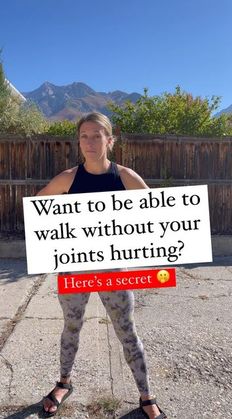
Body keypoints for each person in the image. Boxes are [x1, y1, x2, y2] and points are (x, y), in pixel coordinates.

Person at [37, 112, 167, 419]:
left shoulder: (125, 177)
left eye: (97, 135)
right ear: (78, 141)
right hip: (74, 269)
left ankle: (146, 395)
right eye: (84, 135)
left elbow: (157, 216)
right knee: (71, 326)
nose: (90, 142)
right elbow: (39, 210)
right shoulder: (68, 178)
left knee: (127, 332)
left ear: (110, 140)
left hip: (113, 272)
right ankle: (64, 382)